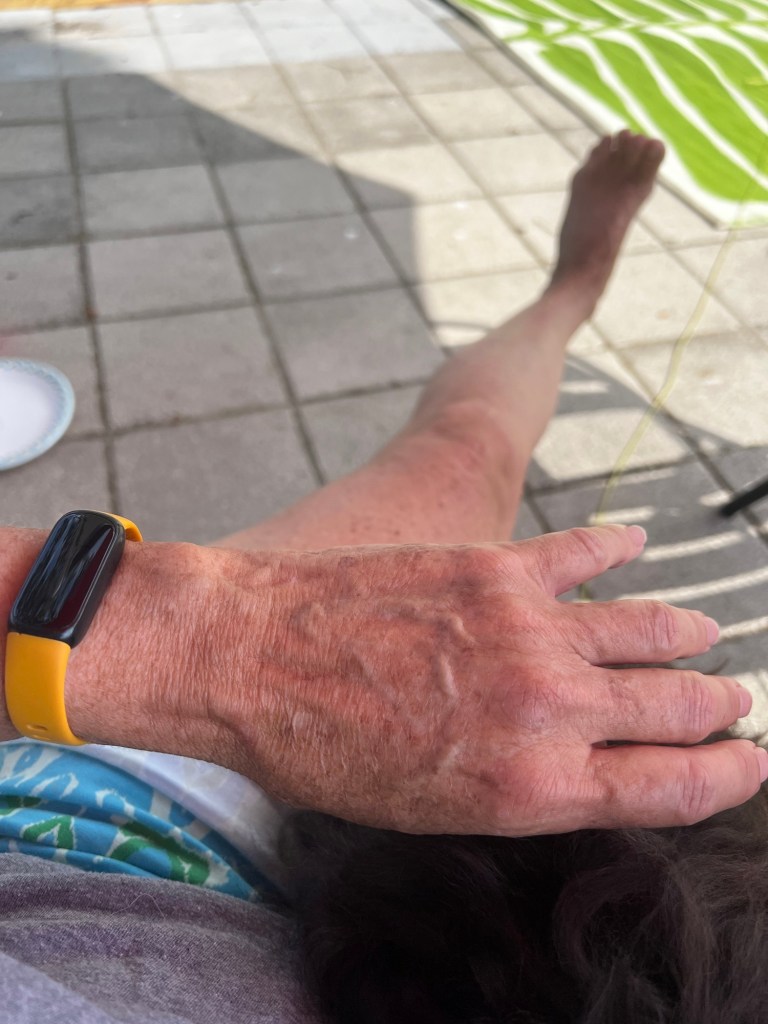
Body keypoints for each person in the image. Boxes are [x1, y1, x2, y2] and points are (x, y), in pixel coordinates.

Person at [0, 130, 763, 1022]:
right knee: (465, 454)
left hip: (103, 829)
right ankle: (571, 292)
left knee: (464, 456)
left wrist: (211, 642)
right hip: (332, 900)